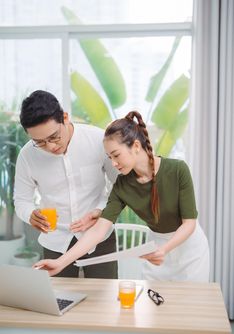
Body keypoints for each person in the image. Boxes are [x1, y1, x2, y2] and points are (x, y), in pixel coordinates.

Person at [34, 111, 210, 282]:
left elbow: (189, 224)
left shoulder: (177, 169)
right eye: (109, 157)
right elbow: (98, 230)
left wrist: (165, 250)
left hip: (189, 250)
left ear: (135, 146)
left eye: (116, 155)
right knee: (155, 305)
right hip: (156, 247)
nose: (113, 163)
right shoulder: (122, 185)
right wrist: (60, 262)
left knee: (191, 307)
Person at [14, 90, 119, 278]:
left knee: (105, 299)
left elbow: (120, 186)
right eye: (39, 142)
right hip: (55, 241)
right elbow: (21, 200)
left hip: (99, 237)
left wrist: (104, 210)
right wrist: (30, 214)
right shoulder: (27, 155)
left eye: (54, 136)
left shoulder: (98, 140)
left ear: (64, 117)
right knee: (58, 302)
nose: (51, 146)